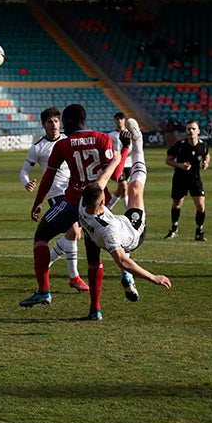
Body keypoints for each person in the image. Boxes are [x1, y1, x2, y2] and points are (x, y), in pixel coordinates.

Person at [21, 103, 127, 310]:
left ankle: (44, 290)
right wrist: (124, 150)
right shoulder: (102, 138)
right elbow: (115, 175)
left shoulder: (64, 144)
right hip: (97, 206)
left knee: (41, 235)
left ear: (68, 122)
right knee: (93, 255)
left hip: (71, 201)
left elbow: (47, 177)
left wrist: (37, 202)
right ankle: (95, 309)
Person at [78, 118, 171, 320]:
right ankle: (140, 144)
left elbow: (104, 177)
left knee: (130, 190)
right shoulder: (109, 231)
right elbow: (123, 261)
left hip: (113, 224)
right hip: (132, 232)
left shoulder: (83, 204)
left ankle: (120, 285)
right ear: (102, 203)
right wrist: (153, 277)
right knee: (136, 190)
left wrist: (121, 151)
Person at [20, 107, 89, 293]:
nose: (54, 125)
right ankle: (74, 277)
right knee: (73, 232)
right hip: (56, 193)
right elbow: (24, 171)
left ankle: (46, 263)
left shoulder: (68, 140)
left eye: (57, 121)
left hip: (74, 191)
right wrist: (27, 183)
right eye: (50, 122)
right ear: (44, 125)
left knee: (74, 235)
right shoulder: (38, 148)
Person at [163, 119, 211, 241]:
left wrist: (206, 163)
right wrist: (180, 165)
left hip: (195, 179)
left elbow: (206, 154)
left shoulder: (203, 145)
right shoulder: (179, 145)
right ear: (185, 131)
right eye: (188, 129)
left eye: (193, 129)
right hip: (180, 178)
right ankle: (174, 229)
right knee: (177, 203)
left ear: (198, 131)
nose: (191, 131)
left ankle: (199, 232)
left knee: (201, 205)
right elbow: (168, 160)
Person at [107, 111, 130, 210]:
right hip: (118, 164)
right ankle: (128, 212)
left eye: (121, 118)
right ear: (115, 120)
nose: (119, 121)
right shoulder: (111, 135)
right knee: (124, 187)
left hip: (129, 164)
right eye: (117, 119)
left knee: (120, 190)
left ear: (124, 120)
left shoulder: (130, 133)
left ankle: (108, 207)